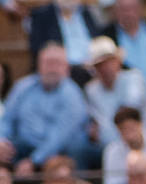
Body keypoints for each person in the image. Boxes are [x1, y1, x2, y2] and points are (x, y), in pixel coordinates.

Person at [0, 44, 90, 176]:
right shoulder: (22, 87)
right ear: (38, 65)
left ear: (67, 68)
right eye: (48, 63)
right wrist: (1, 140)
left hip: (59, 152)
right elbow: (7, 119)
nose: (52, 68)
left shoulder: (72, 94)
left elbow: (60, 136)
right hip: (22, 147)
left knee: (73, 150)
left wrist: (33, 161)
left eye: (57, 63)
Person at [84, 37, 146, 148]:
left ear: (118, 61)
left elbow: (128, 116)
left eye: (109, 61)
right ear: (95, 69)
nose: (105, 68)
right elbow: (104, 128)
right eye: (100, 65)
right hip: (114, 147)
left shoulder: (134, 78)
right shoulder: (92, 90)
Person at [27, 0, 100, 75]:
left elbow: (98, 40)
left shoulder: (86, 12)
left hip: (93, 68)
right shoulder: (42, 15)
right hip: (62, 71)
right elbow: (38, 49)